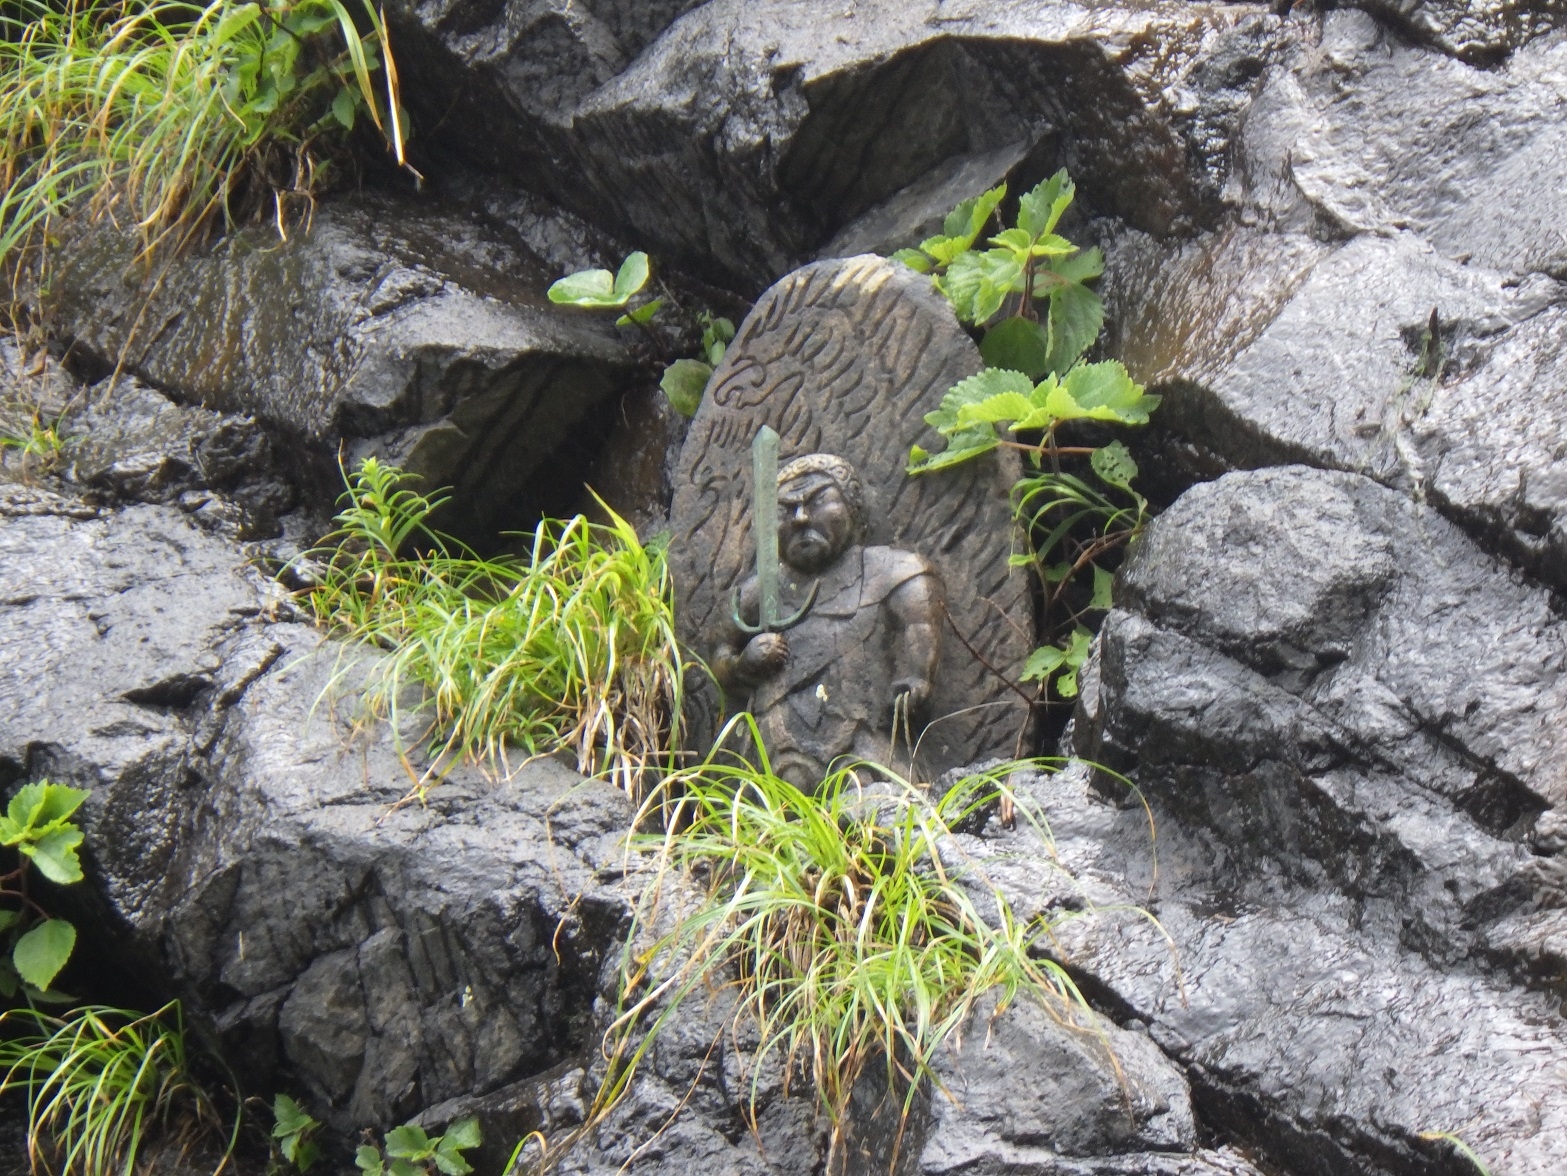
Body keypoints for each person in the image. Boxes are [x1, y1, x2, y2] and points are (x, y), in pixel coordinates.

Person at [714, 453, 943, 787]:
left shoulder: (891, 570)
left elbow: (919, 618)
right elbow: (719, 651)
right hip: (779, 741)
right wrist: (742, 665)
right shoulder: (759, 592)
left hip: (861, 737)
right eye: (784, 510)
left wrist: (915, 679)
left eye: (818, 501)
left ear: (852, 507)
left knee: (867, 792)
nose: (800, 518)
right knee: (781, 796)